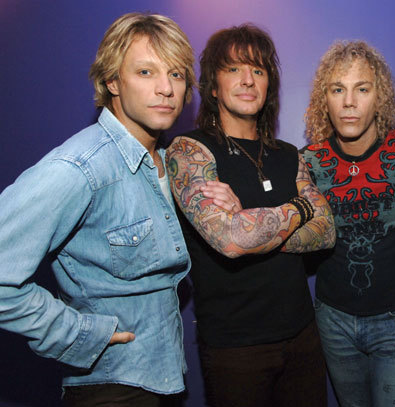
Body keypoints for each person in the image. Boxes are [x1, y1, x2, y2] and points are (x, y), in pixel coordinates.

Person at [0, 12, 195, 406]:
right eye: (145, 72)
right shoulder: (80, 167)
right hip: (110, 386)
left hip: (164, 376)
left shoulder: (166, 161)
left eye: (176, 74)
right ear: (112, 81)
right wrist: (80, 335)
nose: (166, 88)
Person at [166, 24, 335, 407]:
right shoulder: (190, 151)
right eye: (234, 69)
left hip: (302, 336)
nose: (247, 80)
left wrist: (251, 222)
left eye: (258, 70)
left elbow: (327, 232)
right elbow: (232, 241)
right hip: (235, 349)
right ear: (213, 85)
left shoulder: (288, 154)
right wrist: (301, 208)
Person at [301, 41, 395, 406]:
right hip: (334, 321)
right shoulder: (307, 162)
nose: (349, 102)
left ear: (379, 97)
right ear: (324, 99)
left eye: (362, 89)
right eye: (337, 89)